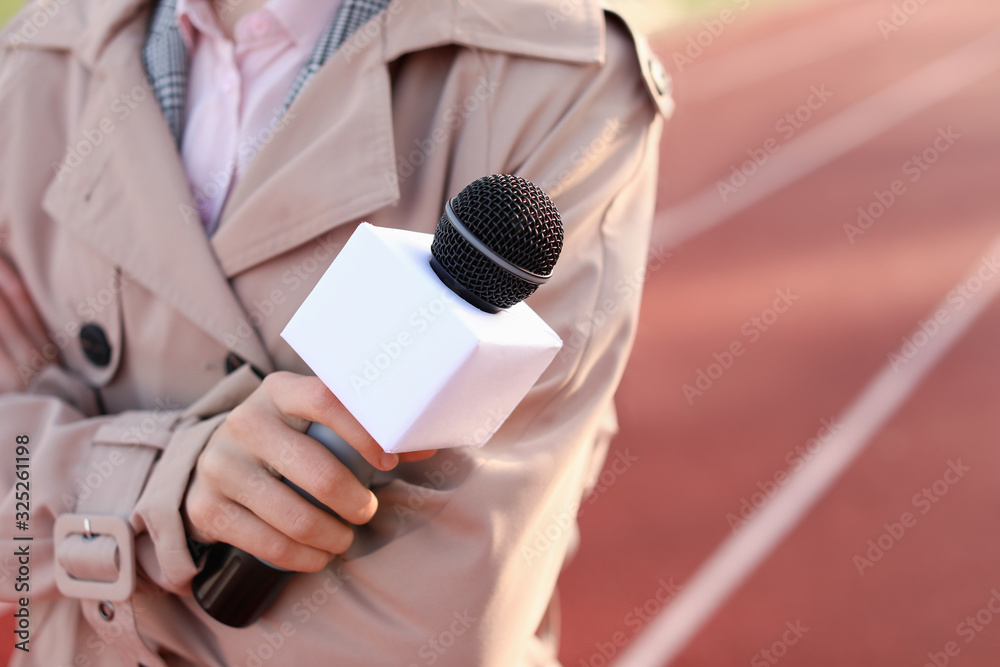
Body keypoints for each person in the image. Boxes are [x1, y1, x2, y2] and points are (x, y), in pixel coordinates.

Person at [0, 0, 671, 664]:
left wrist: (72, 531)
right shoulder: (37, 55)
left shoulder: (554, 73)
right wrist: (168, 486)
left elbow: (428, 631)